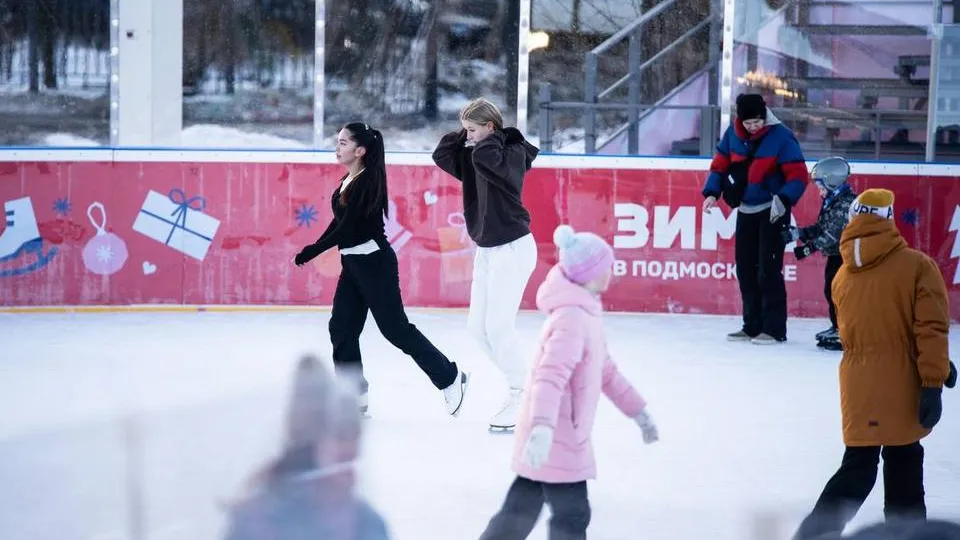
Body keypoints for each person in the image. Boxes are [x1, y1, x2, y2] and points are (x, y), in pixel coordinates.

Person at [792, 189, 959, 540]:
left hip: (857, 382)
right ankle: (910, 534)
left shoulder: (842, 275)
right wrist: (933, 379)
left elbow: (862, 329)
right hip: (902, 381)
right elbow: (928, 327)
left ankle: (814, 533)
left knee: (859, 464)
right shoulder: (917, 265)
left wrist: (940, 363)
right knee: (904, 462)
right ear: (889, 218)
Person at [477, 225, 659, 540]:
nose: (610, 273)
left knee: (520, 512)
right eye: (605, 268)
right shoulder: (572, 319)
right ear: (588, 274)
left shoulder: (584, 313)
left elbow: (606, 372)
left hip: (558, 435)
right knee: (571, 515)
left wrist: (638, 411)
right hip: (556, 436)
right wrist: (544, 429)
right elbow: (549, 376)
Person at [294, 122, 468, 417]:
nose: (337, 147)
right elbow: (339, 223)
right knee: (342, 328)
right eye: (338, 142)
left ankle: (449, 377)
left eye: (343, 143)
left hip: (374, 263)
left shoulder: (367, 181)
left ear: (360, 151)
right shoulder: (348, 180)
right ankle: (354, 395)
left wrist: (314, 250)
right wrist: (316, 245)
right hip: (353, 263)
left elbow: (349, 228)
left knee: (395, 330)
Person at [432, 98, 540, 432]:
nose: (468, 137)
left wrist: (490, 137)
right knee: (477, 329)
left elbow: (486, 157)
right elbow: (442, 155)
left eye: (473, 130)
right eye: (466, 131)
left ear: (490, 129)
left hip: (513, 248)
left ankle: (522, 393)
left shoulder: (509, 154)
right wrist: (464, 129)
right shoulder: (479, 153)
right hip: (488, 251)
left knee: (498, 327)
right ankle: (527, 385)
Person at [221, 354, 392, 540]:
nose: (352, 448)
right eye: (340, 435)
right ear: (312, 441)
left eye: (356, 434)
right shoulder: (259, 520)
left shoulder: (368, 523)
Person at [701, 93, 809, 345]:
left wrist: (783, 199)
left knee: (768, 270)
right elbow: (719, 166)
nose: (753, 127)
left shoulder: (781, 136)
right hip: (746, 210)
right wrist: (711, 193)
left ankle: (773, 329)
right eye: (748, 123)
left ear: (764, 116)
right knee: (746, 269)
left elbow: (798, 175)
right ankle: (751, 325)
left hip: (773, 210)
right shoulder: (732, 135)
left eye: (757, 122)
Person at [780, 156, 857, 351]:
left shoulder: (846, 203)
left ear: (832, 181)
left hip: (845, 258)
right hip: (834, 256)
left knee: (840, 294)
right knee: (830, 291)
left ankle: (845, 331)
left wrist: (807, 249)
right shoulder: (833, 200)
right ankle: (837, 326)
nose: (819, 191)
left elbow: (833, 235)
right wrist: (798, 233)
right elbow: (822, 227)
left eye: (820, 186)